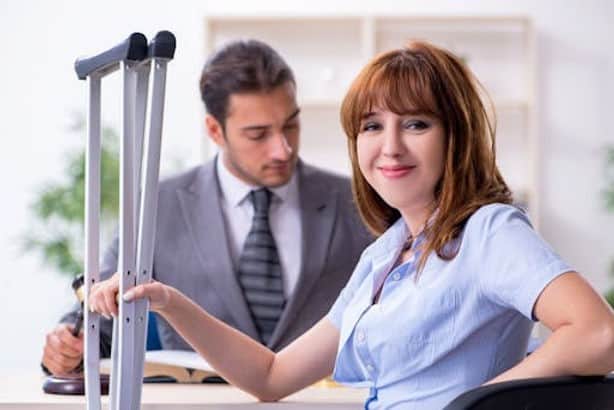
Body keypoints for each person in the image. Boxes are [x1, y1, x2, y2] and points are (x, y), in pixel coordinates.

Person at [89, 40, 614, 408]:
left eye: (416, 123)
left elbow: (598, 334)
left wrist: (477, 404)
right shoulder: (385, 255)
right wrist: (168, 300)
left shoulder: (488, 231)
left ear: (455, 136)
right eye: (371, 126)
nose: (390, 146)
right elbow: (271, 378)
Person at [41, 39, 372, 376]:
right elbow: (103, 314)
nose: (282, 149)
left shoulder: (357, 201)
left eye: (290, 125)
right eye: (258, 135)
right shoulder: (157, 205)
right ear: (215, 130)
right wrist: (68, 346)